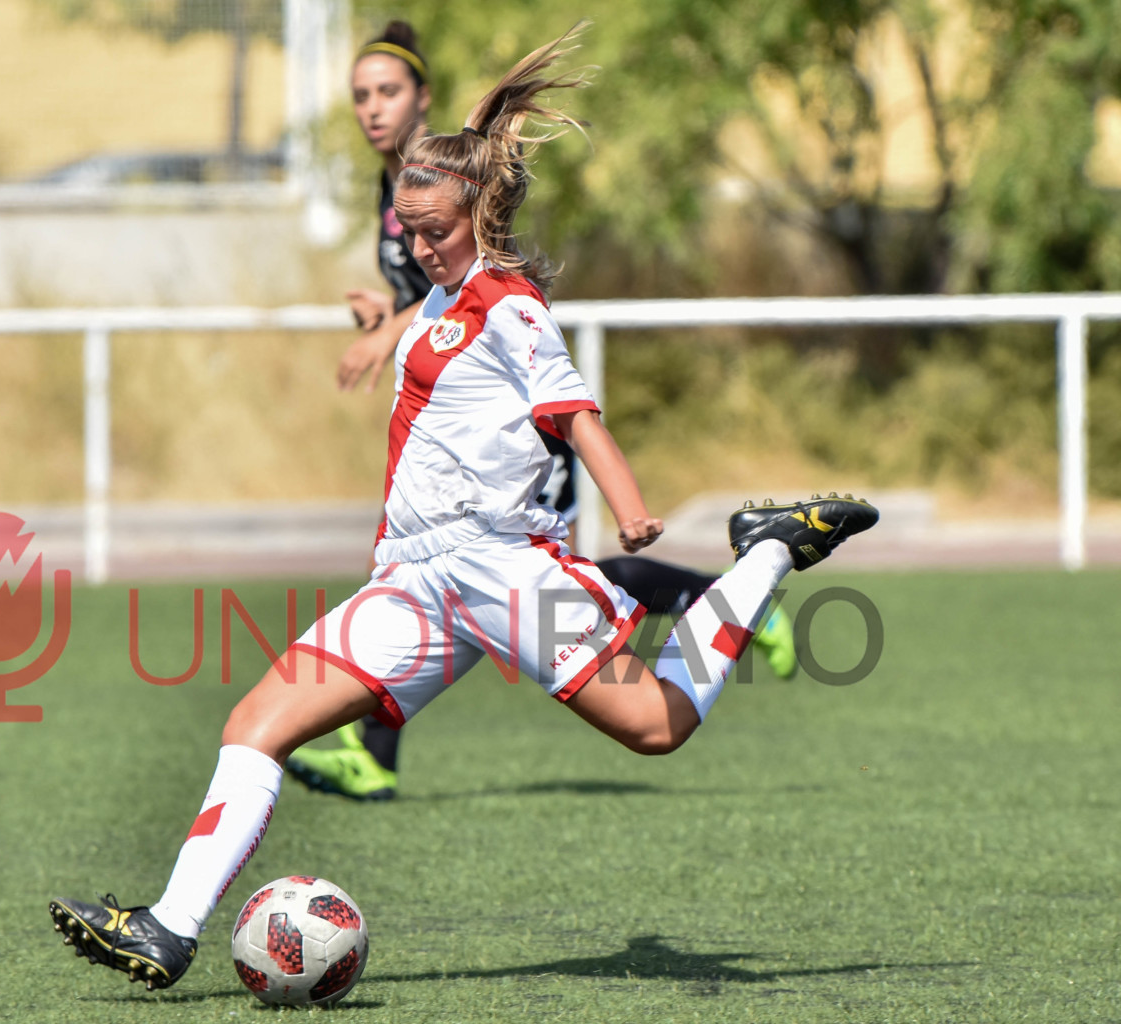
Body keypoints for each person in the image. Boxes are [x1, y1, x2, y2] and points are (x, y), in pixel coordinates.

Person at [47, 25, 878, 992]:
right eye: (410, 231)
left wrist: (634, 512)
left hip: (503, 571)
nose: (421, 244)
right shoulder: (437, 305)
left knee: (656, 724)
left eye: (436, 231)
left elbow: (578, 418)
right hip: (412, 578)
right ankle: (168, 929)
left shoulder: (511, 306)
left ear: (479, 219)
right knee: (254, 724)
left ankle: (767, 553)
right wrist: (386, 314)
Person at [285, 20, 797, 803]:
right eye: (359, 95)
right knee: (443, 572)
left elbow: (484, 307)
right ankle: (373, 751)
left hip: (508, 433)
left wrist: (392, 326)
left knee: (543, 571)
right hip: (454, 445)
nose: (370, 109)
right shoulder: (395, 193)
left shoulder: (446, 181)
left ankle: (718, 595)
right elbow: (437, 303)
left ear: (422, 99)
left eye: (387, 92)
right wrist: (386, 311)